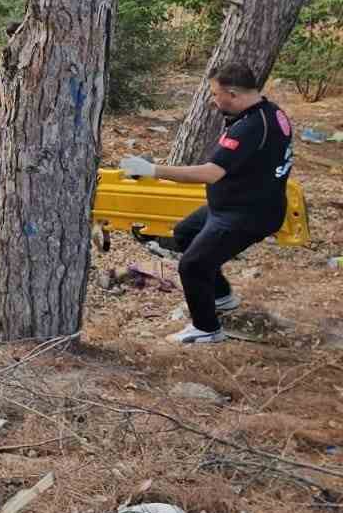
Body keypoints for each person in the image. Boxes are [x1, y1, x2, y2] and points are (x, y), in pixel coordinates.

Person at [119, 63, 294, 345]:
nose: (213, 101)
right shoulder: (270, 112)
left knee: (192, 266)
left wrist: (153, 170)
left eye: (215, 94)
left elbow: (210, 173)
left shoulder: (249, 127)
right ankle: (221, 296)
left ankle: (206, 328)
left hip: (246, 215)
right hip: (233, 204)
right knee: (185, 233)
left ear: (233, 93)